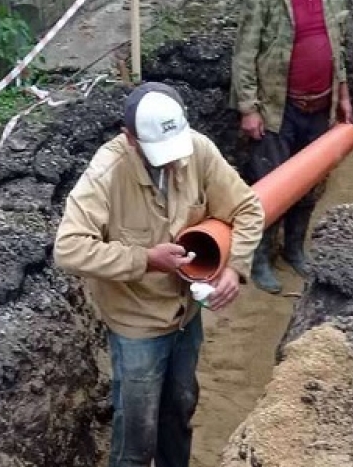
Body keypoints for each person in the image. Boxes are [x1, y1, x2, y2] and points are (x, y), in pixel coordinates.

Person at [53, 81, 264, 467]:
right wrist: (145, 259)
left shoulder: (195, 150)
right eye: (157, 153)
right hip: (137, 328)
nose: (169, 162)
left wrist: (236, 267)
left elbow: (248, 208)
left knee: (179, 412)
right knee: (135, 437)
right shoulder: (107, 173)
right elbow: (68, 248)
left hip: (186, 317)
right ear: (129, 138)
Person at [229, 0, 353, 294]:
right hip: (277, 109)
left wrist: (344, 93)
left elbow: (338, 44)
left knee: (310, 185)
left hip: (321, 106)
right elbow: (244, 53)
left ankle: (295, 249)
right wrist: (248, 108)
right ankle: (262, 257)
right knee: (271, 187)